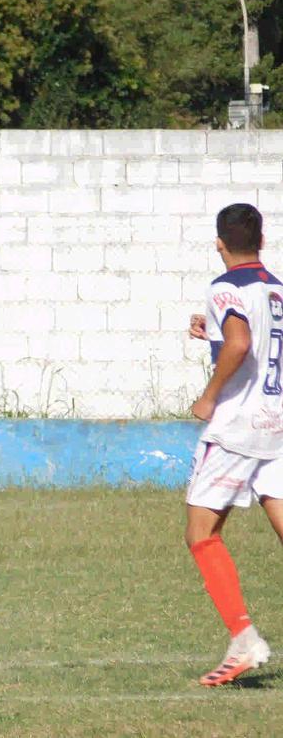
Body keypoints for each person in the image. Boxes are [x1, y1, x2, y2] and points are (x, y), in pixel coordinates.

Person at [184, 202, 283, 686]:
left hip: (239, 425)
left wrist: (209, 395)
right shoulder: (277, 289)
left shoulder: (225, 288)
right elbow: (257, 342)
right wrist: (214, 333)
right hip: (277, 421)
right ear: (261, 241)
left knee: (201, 533)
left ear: (219, 244)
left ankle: (244, 639)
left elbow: (241, 343)